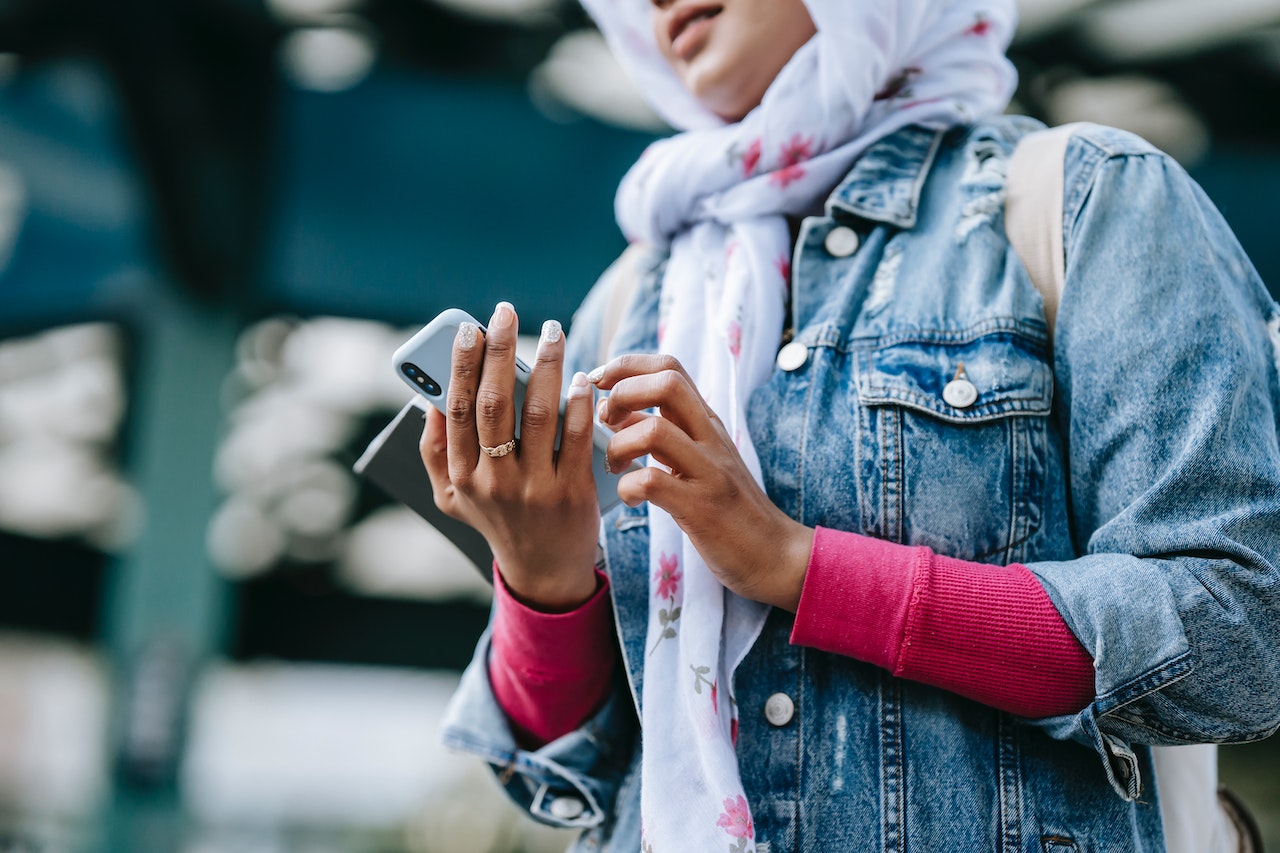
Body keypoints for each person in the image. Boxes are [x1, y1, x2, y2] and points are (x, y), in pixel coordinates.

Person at [423, 0, 1280, 849]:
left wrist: (797, 566)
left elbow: (1238, 637)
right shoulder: (633, 298)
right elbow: (579, 765)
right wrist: (542, 580)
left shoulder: (1087, 197)